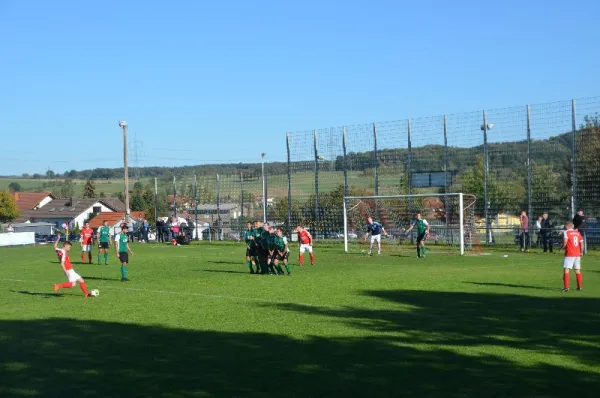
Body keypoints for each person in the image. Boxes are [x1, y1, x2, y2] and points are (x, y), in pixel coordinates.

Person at [561, 221, 583, 292]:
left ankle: (566, 287)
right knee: (577, 270)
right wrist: (581, 252)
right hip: (577, 254)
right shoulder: (577, 233)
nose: (564, 227)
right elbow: (581, 243)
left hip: (570, 254)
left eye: (565, 226)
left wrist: (561, 248)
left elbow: (565, 242)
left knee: (566, 269)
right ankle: (579, 287)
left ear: (567, 226)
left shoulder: (566, 232)